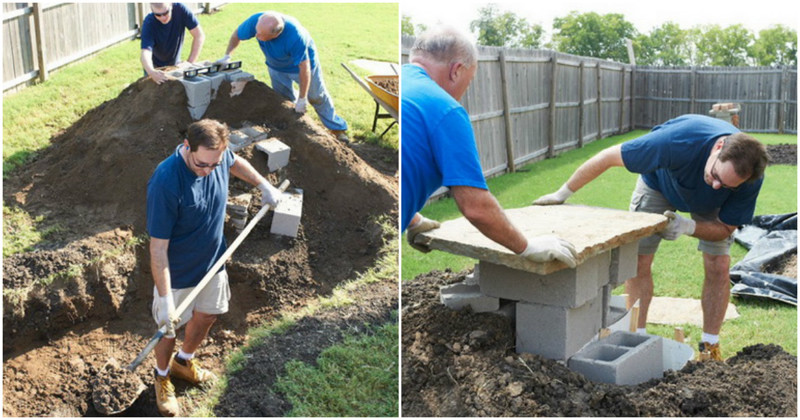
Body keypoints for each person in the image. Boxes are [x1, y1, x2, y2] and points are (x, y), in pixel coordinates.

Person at [533, 114, 768, 361]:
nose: (717, 185)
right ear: (718, 148)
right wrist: (562, 193)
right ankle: (637, 336)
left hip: (712, 207)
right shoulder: (677, 140)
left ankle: (710, 346)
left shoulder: (749, 178)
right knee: (639, 260)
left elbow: (725, 227)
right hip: (659, 185)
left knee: (719, 264)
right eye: (716, 176)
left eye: (728, 185)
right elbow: (607, 157)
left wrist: (688, 226)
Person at [402, 27, 578, 268]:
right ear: (456, 70)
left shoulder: (397, 84)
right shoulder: (445, 110)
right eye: (469, 80)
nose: (465, 91)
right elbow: (475, 206)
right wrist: (527, 247)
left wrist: (412, 219)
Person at [146, 119, 282, 416]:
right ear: (186, 147)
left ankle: (184, 362)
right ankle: (161, 376)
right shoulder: (166, 182)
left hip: (214, 260)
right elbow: (158, 248)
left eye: (214, 164)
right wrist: (167, 298)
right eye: (201, 164)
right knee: (167, 329)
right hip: (178, 272)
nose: (208, 171)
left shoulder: (218, 157)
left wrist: (263, 184)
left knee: (208, 315)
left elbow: (235, 164)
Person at [219, 11, 350, 143]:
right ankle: (292, 129)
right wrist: (227, 56)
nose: (256, 35)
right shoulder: (257, 21)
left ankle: (337, 128)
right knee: (285, 98)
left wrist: (303, 98)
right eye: (256, 31)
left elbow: (304, 68)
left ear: (276, 34)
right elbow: (237, 34)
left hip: (301, 67)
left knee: (316, 96)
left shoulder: (296, 36)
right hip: (275, 65)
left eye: (260, 34)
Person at [141, 3, 205, 84]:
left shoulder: (181, 10)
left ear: (171, 5)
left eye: (165, 13)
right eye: (158, 15)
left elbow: (199, 35)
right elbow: (145, 52)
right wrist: (151, 72)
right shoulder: (149, 23)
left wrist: (190, 63)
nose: (163, 18)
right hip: (155, 68)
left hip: (175, 65)